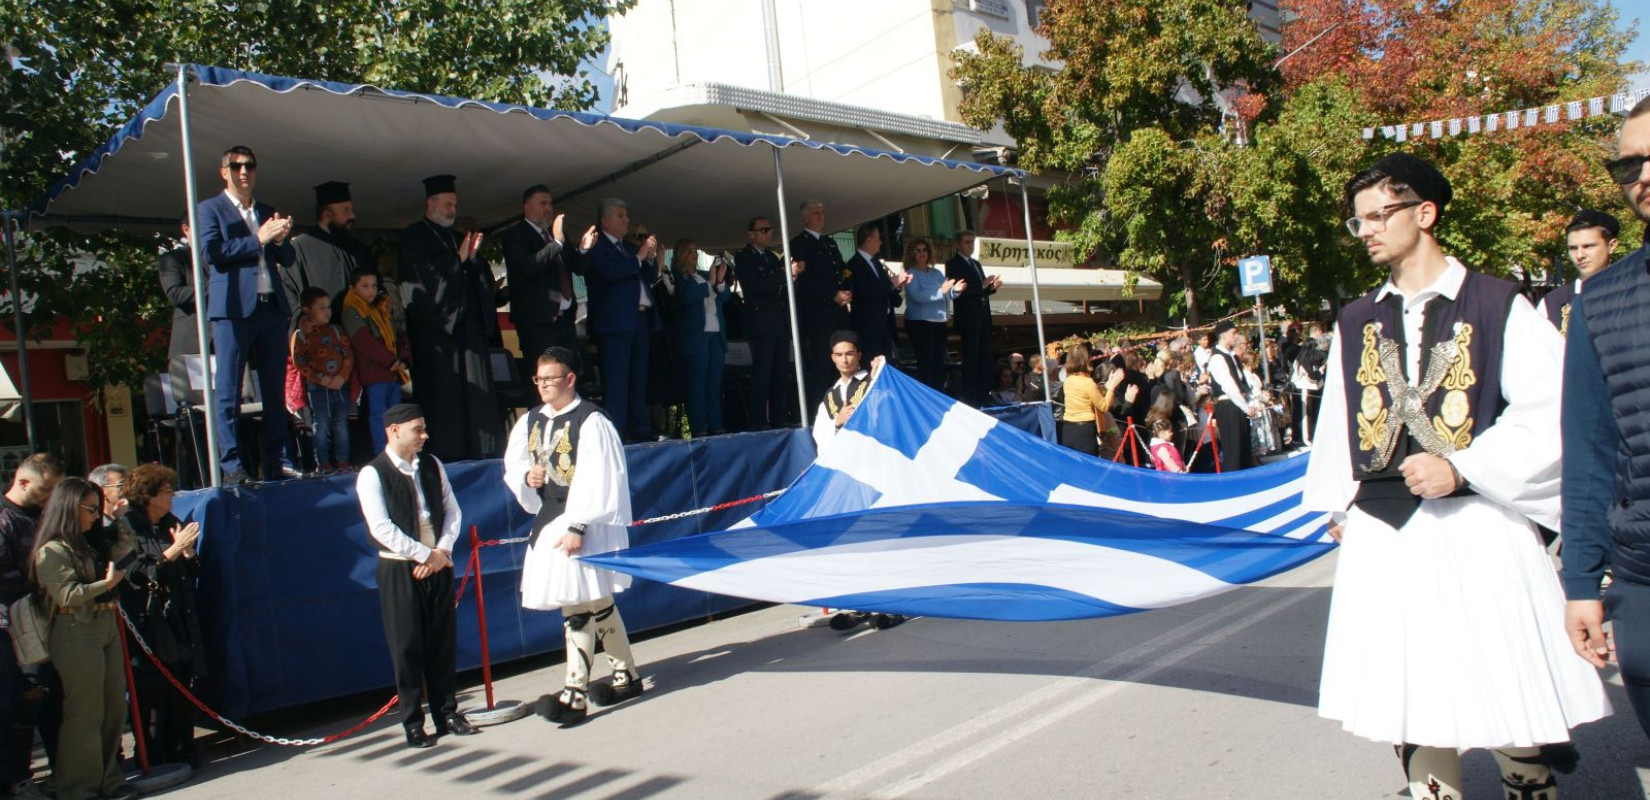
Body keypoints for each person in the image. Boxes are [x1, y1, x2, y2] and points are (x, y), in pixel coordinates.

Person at [1305, 152, 1607, 799]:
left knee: (1506, 688)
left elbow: (1555, 412)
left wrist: (1461, 468)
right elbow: (1339, 418)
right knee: (1408, 695)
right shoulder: (1356, 320)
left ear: (1425, 212)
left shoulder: (1501, 304)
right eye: (1357, 221)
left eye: (1378, 215)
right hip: (1386, 537)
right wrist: (1338, 506)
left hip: (1480, 526)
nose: (1366, 231)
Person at [1563, 97, 1650, 742]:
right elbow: (1590, 452)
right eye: (1628, 168)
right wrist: (1582, 581)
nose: (1641, 177)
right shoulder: (1602, 300)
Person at [504, 348, 644, 726]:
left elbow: (601, 474)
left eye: (550, 378)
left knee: (578, 606)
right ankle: (626, 674)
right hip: (551, 516)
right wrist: (526, 478)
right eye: (538, 379)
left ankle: (575, 692)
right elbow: (515, 463)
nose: (543, 385)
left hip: (583, 520)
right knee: (596, 601)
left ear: (569, 379)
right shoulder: (531, 420)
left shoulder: (591, 420)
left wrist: (578, 525)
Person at [354, 404, 476, 748]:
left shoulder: (432, 465)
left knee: (442, 641)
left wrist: (442, 552)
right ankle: (412, 721)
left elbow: (452, 510)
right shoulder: (373, 473)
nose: (424, 436)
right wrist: (426, 555)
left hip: (437, 561)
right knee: (406, 646)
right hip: (399, 566)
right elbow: (381, 527)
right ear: (393, 431)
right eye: (417, 429)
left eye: (424, 429)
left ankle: (447, 712)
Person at [28, 477, 137, 800]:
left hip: (104, 623)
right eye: (90, 509)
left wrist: (118, 522)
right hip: (75, 629)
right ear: (69, 508)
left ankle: (109, 780)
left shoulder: (92, 540)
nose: (93, 515)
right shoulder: (52, 550)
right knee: (85, 712)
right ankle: (78, 787)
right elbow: (67, 595)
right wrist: (107, 583)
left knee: (114, 707)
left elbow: (128, 551)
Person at [196, 145, 298, 484]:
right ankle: (231, 466)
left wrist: (281, 239)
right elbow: (212, 253)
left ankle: (277, 461)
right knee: (228, 391)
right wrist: (258, 239)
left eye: (250, 166)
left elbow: (287, 259)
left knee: (274, 391)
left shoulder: (266, 209)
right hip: (233, 311)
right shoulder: (209, 209)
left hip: (270, 308)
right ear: (224, 172)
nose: (244, 172)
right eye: (236, 166)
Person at [399, 174, 503, 462]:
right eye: (447, 204)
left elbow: (478, 277)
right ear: (430, 204)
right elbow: (423, 286)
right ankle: (448, 453)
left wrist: (472, 261)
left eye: (454, 204)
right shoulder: (413, 237)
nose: (451, 210)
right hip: (438, 338)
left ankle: (483, 450)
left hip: (468, 333)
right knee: (446, 402)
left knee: (478, 398)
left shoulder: (457, 238)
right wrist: (456, 260)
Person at [117, 465, 203, 768]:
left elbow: (190, 571)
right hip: (148, 627)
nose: (173, 497)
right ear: (149, 495)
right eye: (167, 491)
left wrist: (188, 552)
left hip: (178, 621)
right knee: (151, 695)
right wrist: (173, 551)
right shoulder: (126, 528)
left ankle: (183, 750)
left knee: (181, 689)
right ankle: (154, 758)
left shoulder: (171, 522)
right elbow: (134, 575)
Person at [0, 455, 64, 798]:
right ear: (23, 481)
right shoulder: (4, 519)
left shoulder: (42, 516)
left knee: (52, 701)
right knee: (24, 699)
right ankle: (17, 778)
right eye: (46, 489)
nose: (50, 496)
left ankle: (62, 773)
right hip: (14, 625)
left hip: (49, 620)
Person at [579, 198, 660, 442]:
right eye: (620, 215)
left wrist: (649, 257)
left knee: (638, 377)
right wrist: (639, 257)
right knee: (617, 379)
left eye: (626, 214)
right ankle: (617, 431)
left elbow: (647, 275)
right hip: (615, 323)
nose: (626, 219)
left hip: (639, 320)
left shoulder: (625, 247)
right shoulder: (598, 246)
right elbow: (609, 272)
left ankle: (640, 426)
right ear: (605, 221)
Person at [734, 216, 801, 429]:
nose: (769, 233)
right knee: (762, 374)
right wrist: (783, 275)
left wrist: (791, 277)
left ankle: (779, 418)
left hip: (779, 321)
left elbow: (781, 290)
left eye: (770, 229)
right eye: (764, 230)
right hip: (761, 323)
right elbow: (757, 287)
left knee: (781, 373)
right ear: (751, 234)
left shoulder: (772, 258)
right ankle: (758, 421)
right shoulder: (744, 258)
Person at [502, 185, 580, 361]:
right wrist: (557, 244)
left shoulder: (557, 233)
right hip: (536, 321)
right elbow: (529, 266)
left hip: (565, 320)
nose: (549, 209)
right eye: (543, 204)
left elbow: (578, 267)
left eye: (550, 204)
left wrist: (584, 249)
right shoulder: (516, 235)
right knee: (541, 375)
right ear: (527, 207)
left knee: (569, 373)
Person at [664, 241, 731, 437]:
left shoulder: (703, 275)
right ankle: (698, 425)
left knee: (714, 382)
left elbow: (724, 297)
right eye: (690, 252)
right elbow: (684, 297)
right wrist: (710, 283)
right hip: (696, 336)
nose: (694, 255)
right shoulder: (679, 278)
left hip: (716, 333)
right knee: (698, 382)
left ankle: (716, 423)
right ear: (681, 255)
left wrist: (719, 280)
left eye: (696, 251)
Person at [283, 181, 373, 325]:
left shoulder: (358, 248)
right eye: (346, 210)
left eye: (351, 209)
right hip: (320, 336)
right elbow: (288, 291)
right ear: (327, 214)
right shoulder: (300, 247)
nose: (352, 215)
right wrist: (302, 319)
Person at [342, 268, 410, 454]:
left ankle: (398, 448)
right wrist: (390, 360)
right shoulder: (352, 309)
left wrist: (404, 359)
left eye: (373, 286)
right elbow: (364, 341)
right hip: (374, 371)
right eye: (365, 286)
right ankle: (382, 451)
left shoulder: (379, 307)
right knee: (378, 413)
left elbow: (397, 333)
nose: (370, 290)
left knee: (395, 412)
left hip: (392, 371)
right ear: (353, 288)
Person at [790, 201, 852, 405]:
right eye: (816, 213)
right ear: (806, 218)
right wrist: (832, 294)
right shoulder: (800, 243)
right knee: (821, 364)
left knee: (840, 361)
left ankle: (842, 405)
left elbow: (840, 269)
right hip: (817, 314)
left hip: (837, 313)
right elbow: (806, 280)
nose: (821, 216)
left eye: (822, 213)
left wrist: (846, 289)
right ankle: (821, 409)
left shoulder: (829, 243)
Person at [291, 286, 355, 473]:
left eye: (328, 307)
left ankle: (343, 461)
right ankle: (323, 463)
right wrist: (321, 379)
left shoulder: (336, 330)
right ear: (307, 310)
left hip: (339, 386)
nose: (327, 312)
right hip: (318, 389)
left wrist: (342, 377)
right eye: (321, 307)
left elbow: (348, 355)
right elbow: (299, 361)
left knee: (341, 424)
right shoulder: (301, 335)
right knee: (321, 425)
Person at [1538, 209, 1621, 337]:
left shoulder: (1635, 293)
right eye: (1573, 248)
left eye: (1588, 246)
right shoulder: (1551, 304)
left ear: (1612, 246)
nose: (1579, 255)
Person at [946, 231, 1001, 406]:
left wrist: (991, 287)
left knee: (985, 356)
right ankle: (971, 395)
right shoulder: (953, 264)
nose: (970, 245)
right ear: (958, 245)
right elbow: (959, 292)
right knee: (971, 358)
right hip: (968, 319)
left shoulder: (976, 263)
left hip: (983, 316)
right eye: (967, 242)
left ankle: (984, 392)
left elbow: (981, 291)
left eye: (972, 242)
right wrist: (982, 285)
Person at [901, 237, 962, 392]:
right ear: (911, 254)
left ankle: (939, 392)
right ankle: (927, 394)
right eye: (917, 250)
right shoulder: (910, 274)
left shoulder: (936, 273)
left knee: (939, 361)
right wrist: (941, 291)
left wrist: (956, 290)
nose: (922, 253)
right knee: (926, 362)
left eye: (924, 250)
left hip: (940, 321)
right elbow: (918, 297)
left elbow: (948, 294)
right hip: (921, 323)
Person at [844, 224, 907, 363]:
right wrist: (891, 284)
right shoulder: (854, 265)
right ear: (869, 240)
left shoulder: (876, 263)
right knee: (870, 366)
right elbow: (864, 292)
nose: (881, 242)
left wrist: (897, 286)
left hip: (884, 325)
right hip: (867, 327)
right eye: (878, 238)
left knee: (886, 366)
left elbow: (888, 290)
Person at [811, 331, 879, 452]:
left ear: (858, 355)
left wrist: (879, 376)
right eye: (839, 355)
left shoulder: (872, 382)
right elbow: (820, 436)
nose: (844, 360)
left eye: (849, 354)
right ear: (833, 358)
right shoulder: (830, 395)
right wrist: (837, 423)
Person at [1205, 320, 1257, 471]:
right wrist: (1245, 406)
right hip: (1229, 405)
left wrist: (1250, 402)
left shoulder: (1232, 356)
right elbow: (1229, 386)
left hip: (1239, 404)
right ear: (1223, 336)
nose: (1236, 337)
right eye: (1233, 334)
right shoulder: (1217, 358)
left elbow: (1241, 382)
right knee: (1234, 451)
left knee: (1244, 449)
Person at [1058, 346, 1121, 457]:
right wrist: (1111, 388)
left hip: (1068, 429)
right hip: (1084, 431)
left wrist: (1107, 386)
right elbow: (1104, 406)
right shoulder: (1087, 382)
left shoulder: (1068, 381)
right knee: (1088, 467)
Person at [1290, 321, 1330, 447]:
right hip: (1304, 388)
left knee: (1310, 414)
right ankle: (1305, 438)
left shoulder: (1307, 359)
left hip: (1310, 388)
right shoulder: (1303, 359)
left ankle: (1310, 436)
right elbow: (1311, 375)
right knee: (1305, 415)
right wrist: (1320, 371)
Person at [86, 464, 128, 529]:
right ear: (102, 490)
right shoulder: (93, 523)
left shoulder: (133, 517)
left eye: (128, 484)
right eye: (122, 484)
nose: (127, 489)